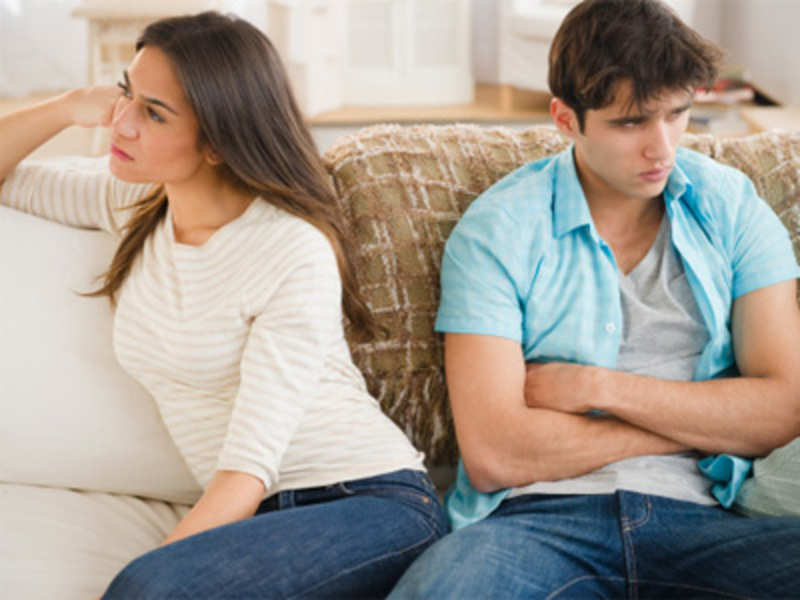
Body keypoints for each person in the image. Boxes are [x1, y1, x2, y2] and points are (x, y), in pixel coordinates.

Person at [0, 11, 446, 599]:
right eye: (127, 96)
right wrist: (66, 106)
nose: (122, 124)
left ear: (216, 141)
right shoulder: (136, 204)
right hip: (264, 516)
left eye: (153, 113)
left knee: (150, 587)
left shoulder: (289, 249)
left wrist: (163, 575)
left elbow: (246, 474)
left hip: (368, 503)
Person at [388, 0, 800, 598]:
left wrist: (600, 390)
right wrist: (706, 423)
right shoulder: (499, 228)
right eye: (631, 123)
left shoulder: (732, 208)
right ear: (566, 118)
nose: (661, 148)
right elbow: (495, 454)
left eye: (677, 114)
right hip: (536, 526)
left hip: (710, 522)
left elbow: (785, 409)